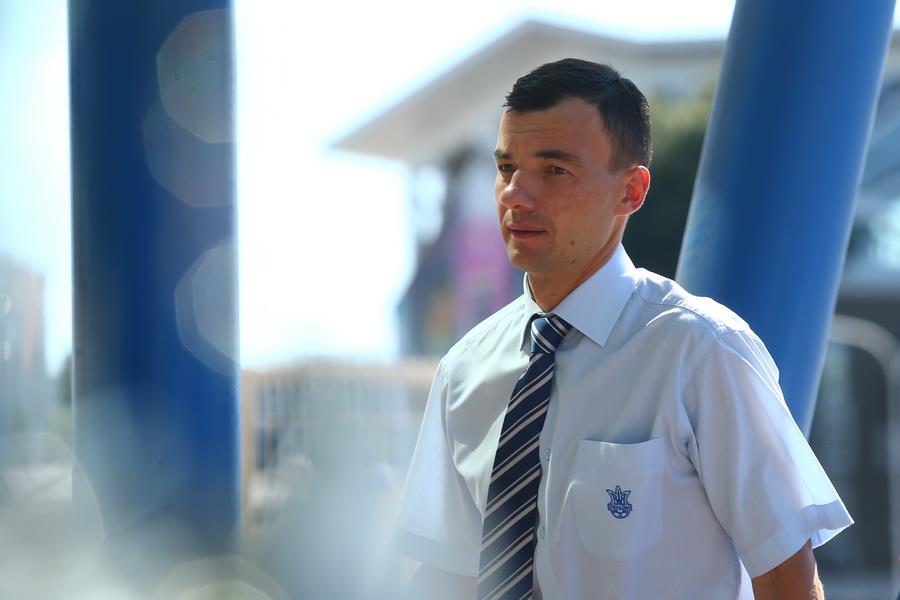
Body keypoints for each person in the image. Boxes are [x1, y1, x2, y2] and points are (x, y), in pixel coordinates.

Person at [394, 58, 852, 599]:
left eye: (554, 170)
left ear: (631, 191)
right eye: (506, 167)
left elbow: (787, 577)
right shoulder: (464, 370)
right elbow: (448, 576)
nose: (515, 194)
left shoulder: (701, 350)